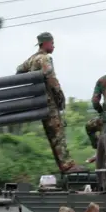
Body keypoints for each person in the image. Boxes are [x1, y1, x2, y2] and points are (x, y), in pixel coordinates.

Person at [16, 32, 85, 173]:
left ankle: (64, 166)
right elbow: (51, 78)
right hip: (49, 102)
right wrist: (60, 97)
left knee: (51, 135)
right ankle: (68, 166)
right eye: (52, 43)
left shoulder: (31, 59)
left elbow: (18, 71)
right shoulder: (45, 58)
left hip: (38, 102)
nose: (54, 46)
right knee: (58, 134)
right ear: (46, 43)